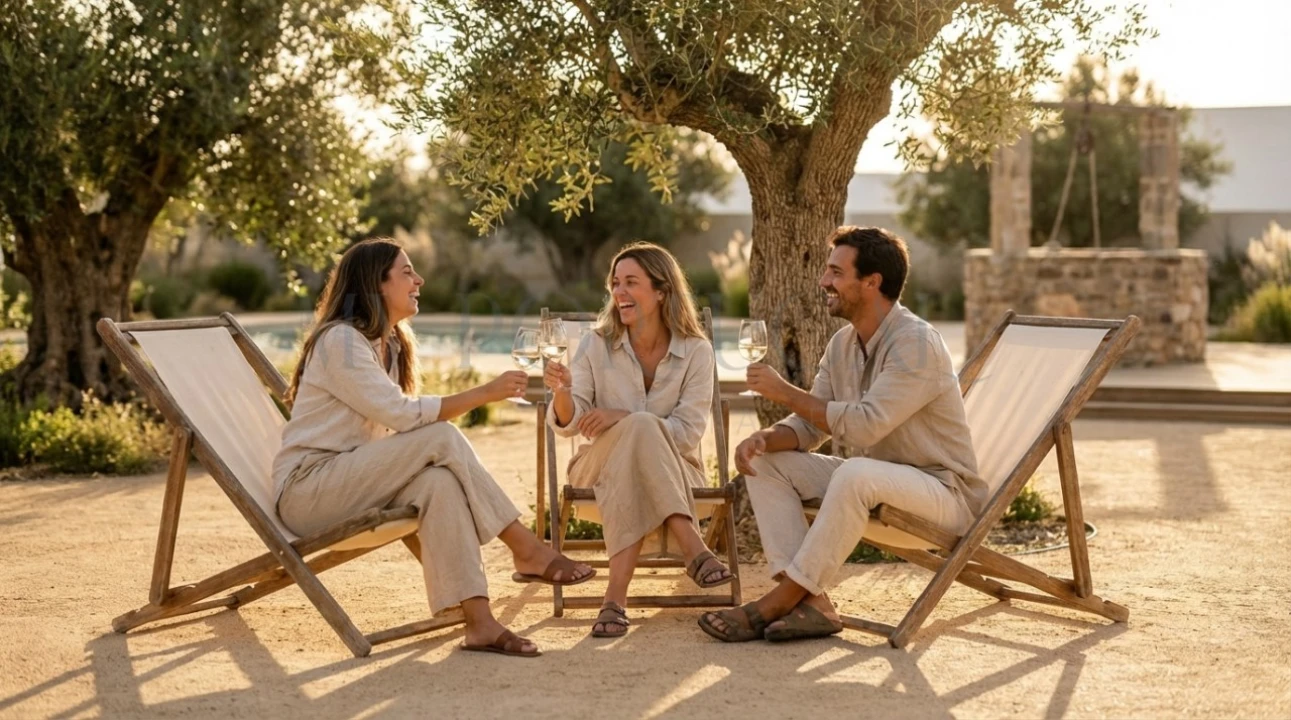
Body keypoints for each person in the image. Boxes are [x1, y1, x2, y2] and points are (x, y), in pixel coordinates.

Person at [273, 238, 594, 659]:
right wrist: (485, 392)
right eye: (407, 271)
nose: (419, 279)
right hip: (310, 491)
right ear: (376, 284)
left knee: (440, 482)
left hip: (351, 479)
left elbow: (395, 427)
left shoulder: (388, 345)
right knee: (440, 437)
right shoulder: (341, 342)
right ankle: (526, 548)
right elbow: (403, 415)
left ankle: (479, 623)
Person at [697, 226, 986, 643]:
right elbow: (813, 425)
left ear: (872, 282)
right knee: (765, 464)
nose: (823, 282)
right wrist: (766, 439)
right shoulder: (842, 344)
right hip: (879, 481)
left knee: (856, 472)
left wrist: (783, 391)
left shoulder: (916, 344)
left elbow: (865, 424)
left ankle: (781, 600)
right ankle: (813, 604)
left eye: (835, 272)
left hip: (944, 493)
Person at [545, 242, 733, 638]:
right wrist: (562, 392)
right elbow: (570, 422)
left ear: (662, 291)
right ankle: (694, 548)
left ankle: (614, 600)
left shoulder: (697, 352)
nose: (619, 292)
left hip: (680, 473)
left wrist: (627, 418)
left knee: (641, 434)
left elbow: (686, 435)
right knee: (643, 427)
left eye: (631, 282)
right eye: (615, 283)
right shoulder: (596, 345)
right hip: (594, 470)